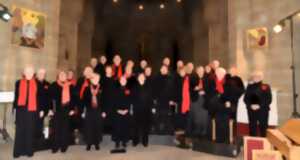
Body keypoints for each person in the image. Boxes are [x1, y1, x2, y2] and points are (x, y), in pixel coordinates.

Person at [13, 66, 42, 158]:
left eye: (31, 71)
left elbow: (40, 98)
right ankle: (18, 151)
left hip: (32, 110)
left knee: (30, 130)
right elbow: (16, 96)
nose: (29, 73)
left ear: (33, 73)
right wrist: (14, 108)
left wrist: (41, 110)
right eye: (27, 71)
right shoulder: (18, 82)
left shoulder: (38, 83)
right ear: (24, 73)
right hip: (21, 109)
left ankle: (29, 151)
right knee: (20, 130)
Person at [49, 71, 75, 153]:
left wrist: (72, 109)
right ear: (58, 76)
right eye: (61, 75)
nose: (63, 76)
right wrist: (50, 109)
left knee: (65, 128)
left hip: (67, 109)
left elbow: (74, 99)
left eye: (64, 75)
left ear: (66, 76)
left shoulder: (70, 85)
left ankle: (64, 146)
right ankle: (55, 147)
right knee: (56, 129)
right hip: (56, 110)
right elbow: (49, 98)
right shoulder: (53, 85)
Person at [244, 71, 272, 137]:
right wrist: (250, 105)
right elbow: (245, 99)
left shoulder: (265, 86)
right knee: (252, 127)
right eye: (255, 76)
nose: (256, 78)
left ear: (262, 77)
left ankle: (264, 143)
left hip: (263, 110)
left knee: (263, 127)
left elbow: (269, 99)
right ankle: (253, 143)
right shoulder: (249, 86)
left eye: (258, 76)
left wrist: (259, 106)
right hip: (251, 110)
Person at [82, 74, 105, 151]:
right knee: (89, 127)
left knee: (97, 127)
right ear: (91, 79)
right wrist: (84, 111)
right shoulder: (87, 89)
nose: (96, 80)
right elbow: (84, 100)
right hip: (89, 110)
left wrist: (103, 111)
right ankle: (89, 143)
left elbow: (104, 101)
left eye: (98, 78)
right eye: (94, 78)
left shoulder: (101, 88)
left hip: (98, 110)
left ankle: (96, 143)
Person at [186, 66, 208, 138]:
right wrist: (196, 89)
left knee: (204, 116)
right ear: (197, 71)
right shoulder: (192, 78)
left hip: (204, 99)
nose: (201, 72)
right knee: (197, 117)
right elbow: (189, 89)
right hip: (195, 99)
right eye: (199, 70)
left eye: (202, 70)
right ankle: (196, 132)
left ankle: (204, 132)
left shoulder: (206, 79)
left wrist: (204, 91)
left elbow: (209, 89)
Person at [132, 74, 152, 147]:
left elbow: (150, 98)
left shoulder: (148, 87)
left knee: (145, 126)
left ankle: (145, 141)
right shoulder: (134, 87)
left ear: (145, 78)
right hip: (136, 109)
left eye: (142, 77)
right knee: (135, 126)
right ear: (138, 78)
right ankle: (135, 141)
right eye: (140, 77)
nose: (141, 78)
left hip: (146, 110)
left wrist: (150, 108)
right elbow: (132, 98)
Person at [153, 65, 174, 134]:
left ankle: (166, 130)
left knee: (166, 116)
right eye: (162, 69)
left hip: (167, 100)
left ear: (167, 70)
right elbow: (154, 89)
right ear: (160, 70)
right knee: (157, 116)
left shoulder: (170, 78)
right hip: (158, 99)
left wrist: (171, 99)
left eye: (165, 69)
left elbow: (171, 90)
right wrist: (154, 98)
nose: (164, 70)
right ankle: (157, 130)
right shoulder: (156, 78)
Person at [112, 76, 131, 149]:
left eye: (124, 80)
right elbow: (113, 101)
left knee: (125, 127)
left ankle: (124, 142)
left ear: (126, 81)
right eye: (122, 80)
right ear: (120, 81)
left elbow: (130, 100)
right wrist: (117, 110)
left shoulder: (128, 90)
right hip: (117, 112)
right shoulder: (116, 90)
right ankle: (117, 142)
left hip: (126, 111)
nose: (123, 81)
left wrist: (127, 109)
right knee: (117, 127)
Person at [35, 68, 51, 145]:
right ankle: (35, 140)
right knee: (36, 124)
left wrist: (50, 109)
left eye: (44, 74)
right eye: (40, 73)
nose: (42, 75)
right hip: (36, 108)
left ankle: (40, 140)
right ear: (37, 74)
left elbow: (49, 97)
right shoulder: (33, 83)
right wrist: (39, 109)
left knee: (42, 124)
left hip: (45, 108)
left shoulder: (47, 84)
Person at [102, 66, 117, 133]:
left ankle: (111, 130)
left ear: (111, 71)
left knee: (112, 116)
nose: (108, 71)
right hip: (105, 100)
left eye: (110, 70)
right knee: (105, 116)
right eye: (107, 69)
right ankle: (105, 130)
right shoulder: (102, 79)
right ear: (105, 71)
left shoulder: (114, 79)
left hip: (113, 100)